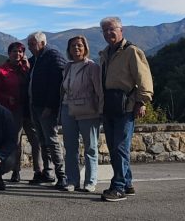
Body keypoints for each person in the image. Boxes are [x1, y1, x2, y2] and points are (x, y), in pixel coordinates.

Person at [98, 17, 153, 202]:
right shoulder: (105, 53)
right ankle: (127, 183)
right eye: (104, 30)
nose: (108, 33)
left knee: (120, 147)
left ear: (121, 30)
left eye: (111, 29)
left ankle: (118, 187)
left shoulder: (132, 51)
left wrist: (142, 101)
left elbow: (144, 79)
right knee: (115, 147)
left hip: (126, 106)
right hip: (109, 105)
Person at [0, 42, 42, 183]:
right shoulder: (0, 70)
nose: (18, 54)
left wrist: (27, 69)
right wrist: (7, 98)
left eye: (21, 51)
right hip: (12, 110)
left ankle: (39, 171)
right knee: (16, 142)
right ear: (9, 53)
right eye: (15, 51)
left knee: (36, 140)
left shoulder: (28, 68)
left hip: (29, 109)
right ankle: (16, 171)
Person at [60, 36, 103, 193]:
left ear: (85, 48)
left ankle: (90, 181)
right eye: (72, 46)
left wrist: (101, 110)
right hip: (67, 108)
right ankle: (72, 180)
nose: (76, 48)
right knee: (70, 147)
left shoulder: (92, 67)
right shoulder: (68, 67)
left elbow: (99, 90)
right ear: (69, 49)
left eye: (79, 45)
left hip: (88, 110)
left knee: (90, 147)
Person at [27, 31, 68, 189]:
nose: (29, 47)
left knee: (51, 141)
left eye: (32, 44)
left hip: (46, 108)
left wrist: (50, 106)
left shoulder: (53, 56)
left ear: (42, 43)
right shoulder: (37, 59)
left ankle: (61, 175)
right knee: (43, 141)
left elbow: (57, 84)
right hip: (35, 106)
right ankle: (48, 172)